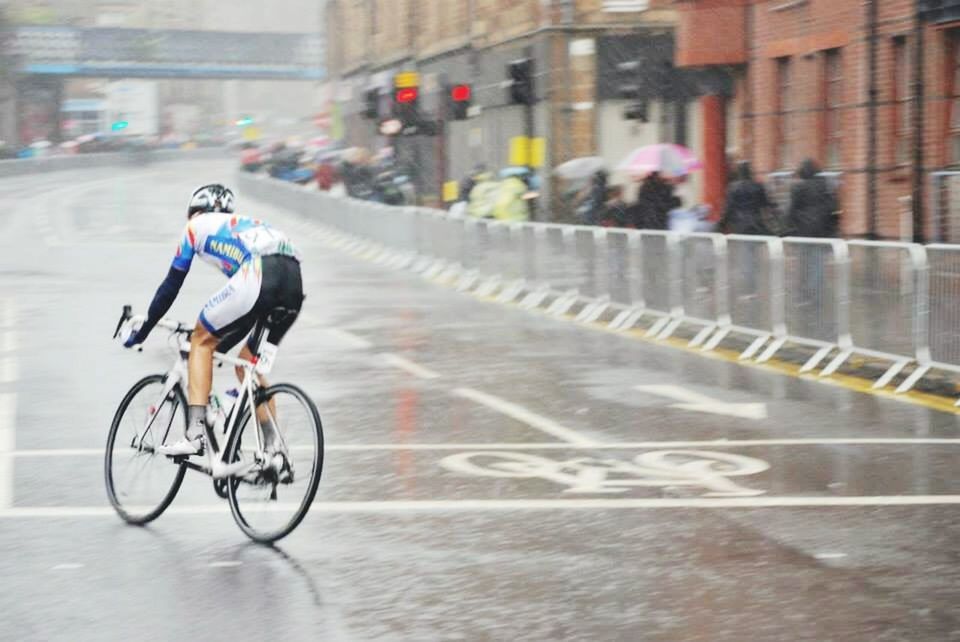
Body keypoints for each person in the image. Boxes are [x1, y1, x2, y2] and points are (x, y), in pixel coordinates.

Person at [124, 184, 304, 469]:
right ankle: (274, 451)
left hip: (259, 275)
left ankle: (195, 434)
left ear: (194, 210)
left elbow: (171, 287)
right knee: (246, 363)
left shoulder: (195, 226)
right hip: (293, 281)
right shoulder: (240, 227)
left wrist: (145, 328)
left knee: (200, 340)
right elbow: (246, 310)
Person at [719, 161, 775, 236]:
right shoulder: (758, 186)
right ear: (750, 172)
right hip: (756, 223)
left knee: (742, 245)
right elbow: (765, 205)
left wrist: (722, 224)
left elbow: (729, 208)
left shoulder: (733, 188)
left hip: (738, 224)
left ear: (739, 173)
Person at [787, 159, 839, 238]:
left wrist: (793, 225)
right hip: (824, 231)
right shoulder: (824, 186)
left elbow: (791, 211)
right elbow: (833, 207)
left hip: (804, 231)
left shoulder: (797, 188)